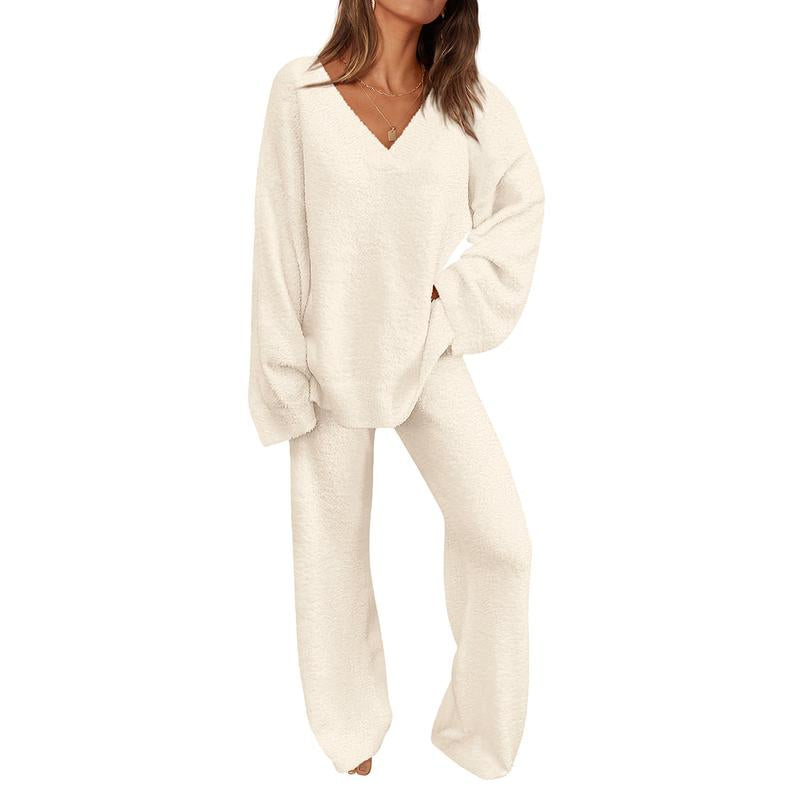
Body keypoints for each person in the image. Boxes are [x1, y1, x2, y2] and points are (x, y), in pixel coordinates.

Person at [248, 0, 545, 780]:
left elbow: (522, 200)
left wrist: (452, 299)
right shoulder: (300, 94)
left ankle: (477, 734)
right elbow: (278, 245)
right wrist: (283, 376)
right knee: (331, 557)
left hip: (422, 347)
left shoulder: (463, 99)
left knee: (503, 545)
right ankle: (351, 733)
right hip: (326, 357)